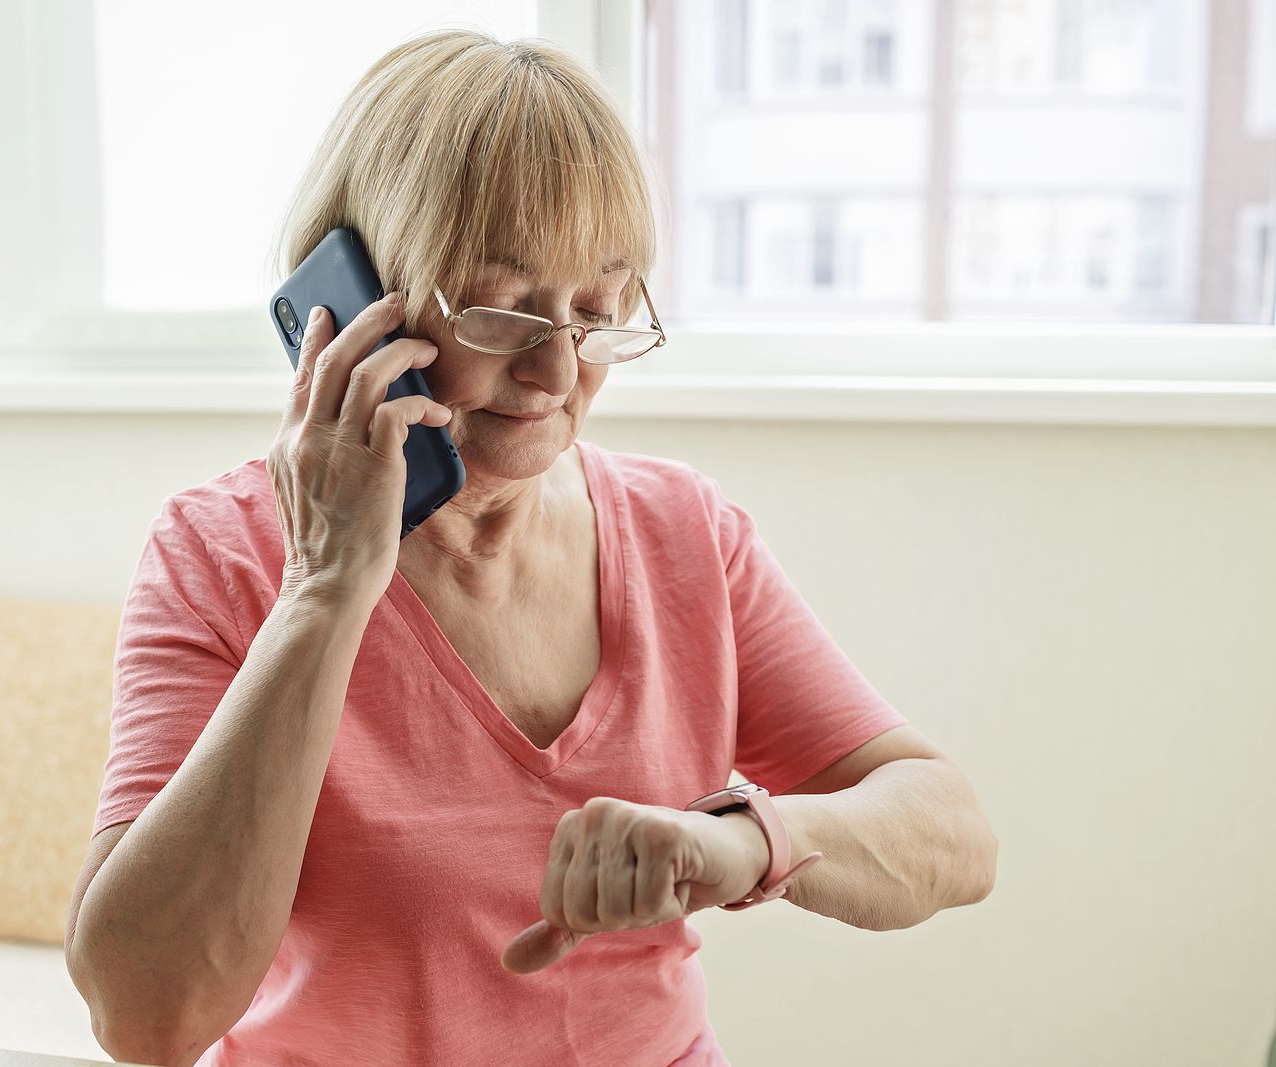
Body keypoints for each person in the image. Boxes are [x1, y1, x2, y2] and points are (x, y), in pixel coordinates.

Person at [64, 28, 997, 1067]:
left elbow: (951, 832)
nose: (558, 372)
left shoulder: (685, 531)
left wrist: (738, 840)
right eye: (503, 309)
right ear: (353, 305)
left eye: (595, 309)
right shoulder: (217, 556)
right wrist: (324, 590)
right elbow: (145, 1018)